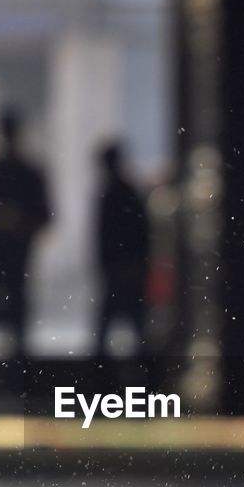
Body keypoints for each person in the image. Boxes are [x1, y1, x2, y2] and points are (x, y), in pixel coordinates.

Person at [0, 107, 51, 355]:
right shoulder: (26, 171)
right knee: (14, 301)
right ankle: (16, 359)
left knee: (7, 301)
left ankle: (13, 357)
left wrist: (3, 222)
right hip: (13, 247)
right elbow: (43, 213)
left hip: (6, 247)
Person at [93, 142, 151, 358]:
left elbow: (108, 236)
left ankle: (102, 377)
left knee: (108, 325)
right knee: (136, 325)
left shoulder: (113, 193)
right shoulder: (126, 192)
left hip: (120, 268)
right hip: (127, 266)